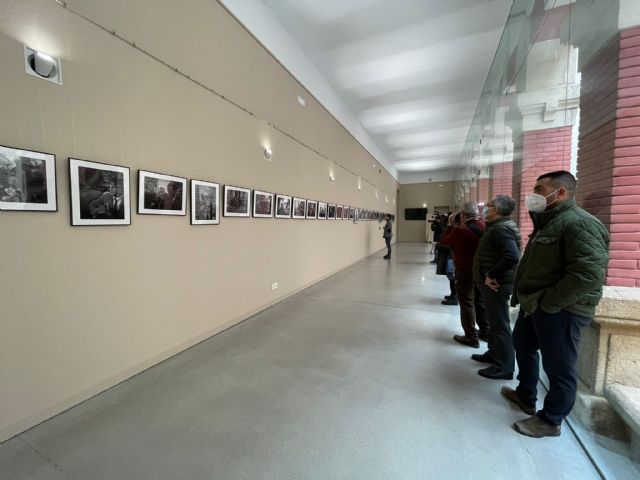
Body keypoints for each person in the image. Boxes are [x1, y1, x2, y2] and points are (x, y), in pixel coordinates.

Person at [502, 171, 609, 438]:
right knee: (523, 344)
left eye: (540, 189)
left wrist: (549, 303)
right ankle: (526, 394)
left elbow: (588, 274)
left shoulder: (579, 223)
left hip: (561, 309)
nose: (533, 195)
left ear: (559, 192)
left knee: (559, 366)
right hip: (535, 304)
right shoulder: (550, 222)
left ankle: (551, 420)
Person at [472, 195, 521, 380]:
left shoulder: (501, 229)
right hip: (494, 282)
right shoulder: (498, 226)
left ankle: (504, 366)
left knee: (500, 324)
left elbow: (511, 256)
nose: (485, 208)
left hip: (496, 284)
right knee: (494, 322)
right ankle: (494, 354)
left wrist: (490, 274)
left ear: (498, 211)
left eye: (489, 205)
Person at [440, 202, 488, 348]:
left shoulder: (461, 229)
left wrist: (449, 225)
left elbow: (444, 241)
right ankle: (485, 331)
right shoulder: (484, 225)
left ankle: (470, 336)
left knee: (466, 302)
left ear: (463, 214)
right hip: (481, 271)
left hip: (465, 270)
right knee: (479, 301)